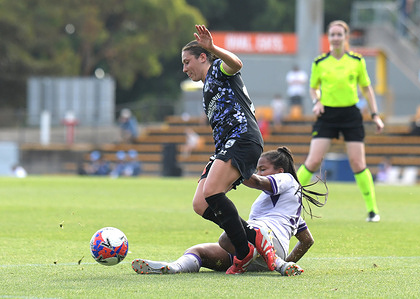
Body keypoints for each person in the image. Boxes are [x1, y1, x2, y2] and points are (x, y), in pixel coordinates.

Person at [132, 147, 327, 276]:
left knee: (228, 236)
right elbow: (307, 240)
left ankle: (273, 260)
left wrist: (234, 169)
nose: (258, 173)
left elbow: (259, 182)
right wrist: (286, 260)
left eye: (262, 168)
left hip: (266, 236)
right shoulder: (289, 208)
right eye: (257, 169)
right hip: (261, 252)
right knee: (198, 251)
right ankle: (174, 268)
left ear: (280, 170)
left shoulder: (287, 180)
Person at [181, 25, 274, 274]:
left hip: (243, 138)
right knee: (201, 203)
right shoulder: (206, 87)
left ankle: (243, 253)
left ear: (203, 57)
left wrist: (213, 48)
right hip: (227, 145)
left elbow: (237, 63)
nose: (185, 68)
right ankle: (254, 236)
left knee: (212, 191)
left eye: (187, 61)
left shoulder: (218, 71)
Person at [296, 20, 384, 223]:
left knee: (357, 162)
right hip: (327, 115)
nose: (336, 38)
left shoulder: (356, 61)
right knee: (313, 160)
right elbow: (313, 87)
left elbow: (366, 88)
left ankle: (372, 210)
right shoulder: (319, 62)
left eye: (339, 34)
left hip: (351, 115)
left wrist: (375, 115)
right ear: (328, 37)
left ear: (346, 37)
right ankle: (288, 202)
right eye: (332, 34)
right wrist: (316, 101)